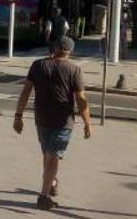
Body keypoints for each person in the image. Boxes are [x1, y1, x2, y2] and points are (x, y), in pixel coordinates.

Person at [13, 36, 93, 210]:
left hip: (41, 118)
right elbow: (80, 99)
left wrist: (18, 116)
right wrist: (87, 123)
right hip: (63, 120)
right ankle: (44, 196)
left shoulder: (38, 65)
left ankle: (52, 182)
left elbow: (26, 91)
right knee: (53, 156)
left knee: (48, 154)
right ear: (70, 51)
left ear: (55, 48)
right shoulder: (74, 70)